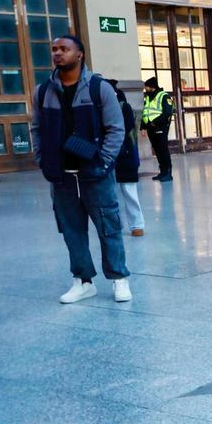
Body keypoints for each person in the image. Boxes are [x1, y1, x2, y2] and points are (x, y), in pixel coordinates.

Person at [30, 35, 131, 304]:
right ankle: (83, 281)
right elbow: (37, 130)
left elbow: (116, 129)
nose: (57, 53)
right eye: (54, 49)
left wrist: (103, 162)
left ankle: (119, 279)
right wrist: (44, 160)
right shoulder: (43, 92)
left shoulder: (100, 89)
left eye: (64, 49)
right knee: (71, 231)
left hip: (96, 175)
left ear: (80, 55)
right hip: (61, 177)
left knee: (108, 228)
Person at [109, 79, 145, 237]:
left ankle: (136, 225)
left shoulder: (123, 107)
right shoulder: (107, 106)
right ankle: (126, 225)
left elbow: (125, 130)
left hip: (124, 155)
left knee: (127, 191)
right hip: (114, 156)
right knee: (111, 195)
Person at [140, 76, 173, 182]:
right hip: (150, 128)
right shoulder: (148, 97)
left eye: (147, 87)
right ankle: (162, 172)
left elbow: (167, 112)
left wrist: (155, 123)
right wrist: (143, 127)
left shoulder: (163, 96)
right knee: (157, 150)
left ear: (152, 87)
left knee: (163, 150)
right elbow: (145, 112)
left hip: (160, 127)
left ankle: (168, 173)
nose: (145, 89)